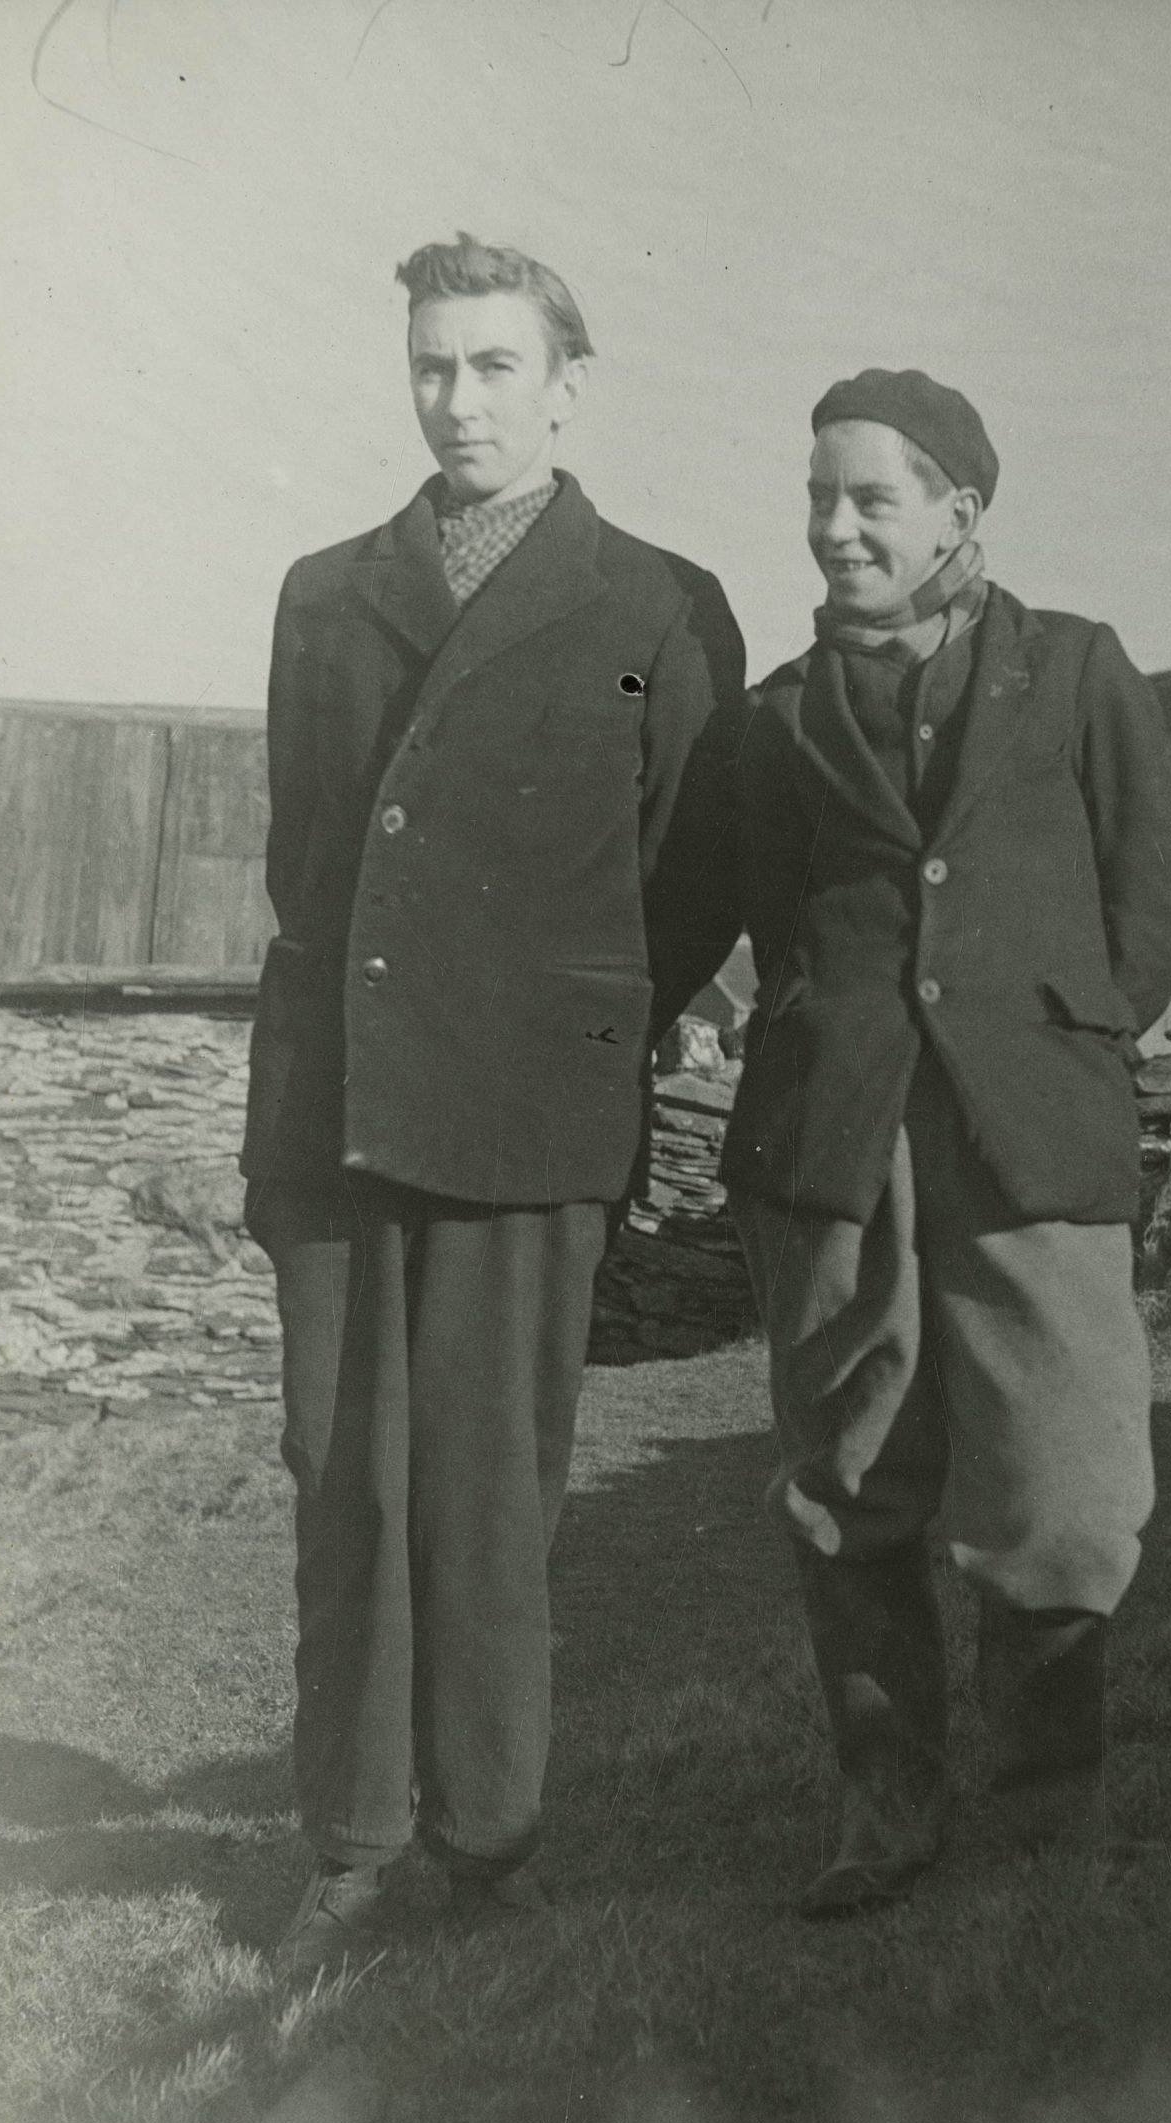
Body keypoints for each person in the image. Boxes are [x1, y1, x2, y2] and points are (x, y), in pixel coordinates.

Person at [243, 234, 741, 1970]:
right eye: (433, 367)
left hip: (531, 1105)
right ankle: (355, 1841)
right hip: (344, 1106)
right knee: (345, 1473)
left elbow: (687, 872)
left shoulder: (653, 609)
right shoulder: (327, 589)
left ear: (566, 386)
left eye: (494, 367)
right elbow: (313, 846)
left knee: (490, 1483)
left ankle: (488, 1845)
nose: (458, 400)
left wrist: (579, 1021)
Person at [723, 368, 1171, 1919]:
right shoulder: (779, 717)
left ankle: (1051, 1806)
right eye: (819, 499)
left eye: (871, 498)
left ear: (958, 513)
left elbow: (1149, 904)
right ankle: (886, 1806)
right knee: (850, 1469)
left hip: (1026, 1126)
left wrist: (1062, 1036)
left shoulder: (1074, 672)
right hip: (842, 1133)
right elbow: (752, 912)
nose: (836, 528)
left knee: (1062, 1480)